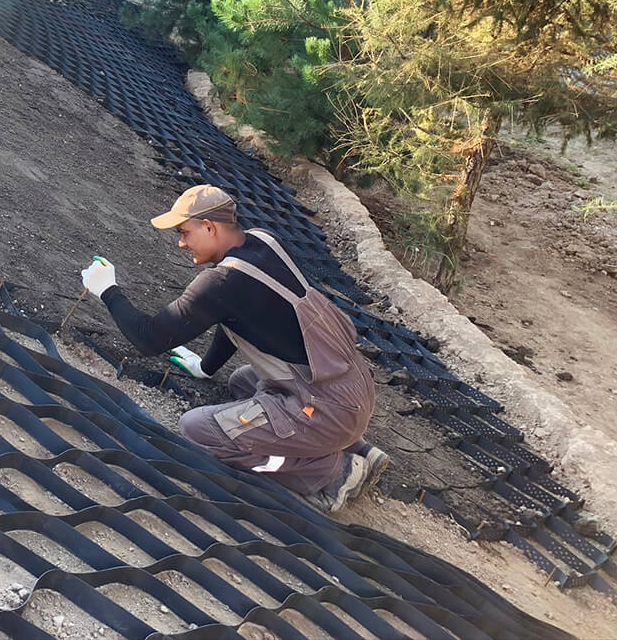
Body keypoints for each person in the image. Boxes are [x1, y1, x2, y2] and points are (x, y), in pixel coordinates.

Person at [78, 185, 388, 513]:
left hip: (325, 409)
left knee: (197, 430)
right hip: (351, 388)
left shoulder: (221, 283)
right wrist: (205, 367)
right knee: (242, 381)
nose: (181, 243)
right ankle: (359, 447)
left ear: (209, 227)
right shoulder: (265, 242)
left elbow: (150, 338)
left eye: (184, 232)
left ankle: (333, 472)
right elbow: (234, 318)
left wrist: (108, 290)